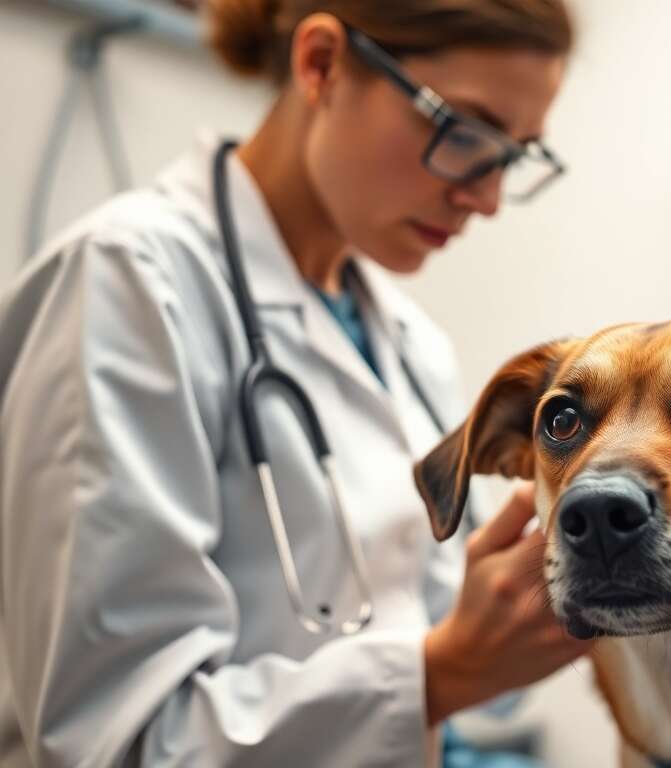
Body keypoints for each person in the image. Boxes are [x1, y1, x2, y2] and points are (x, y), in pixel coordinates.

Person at [0, 1, 590, 765]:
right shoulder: (126, 283)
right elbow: (111, 741)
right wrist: (442, 672)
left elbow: (464, 651)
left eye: (512, 157)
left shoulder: (411, 346)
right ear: (322, 65)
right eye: (467, 134)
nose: (485, 198)